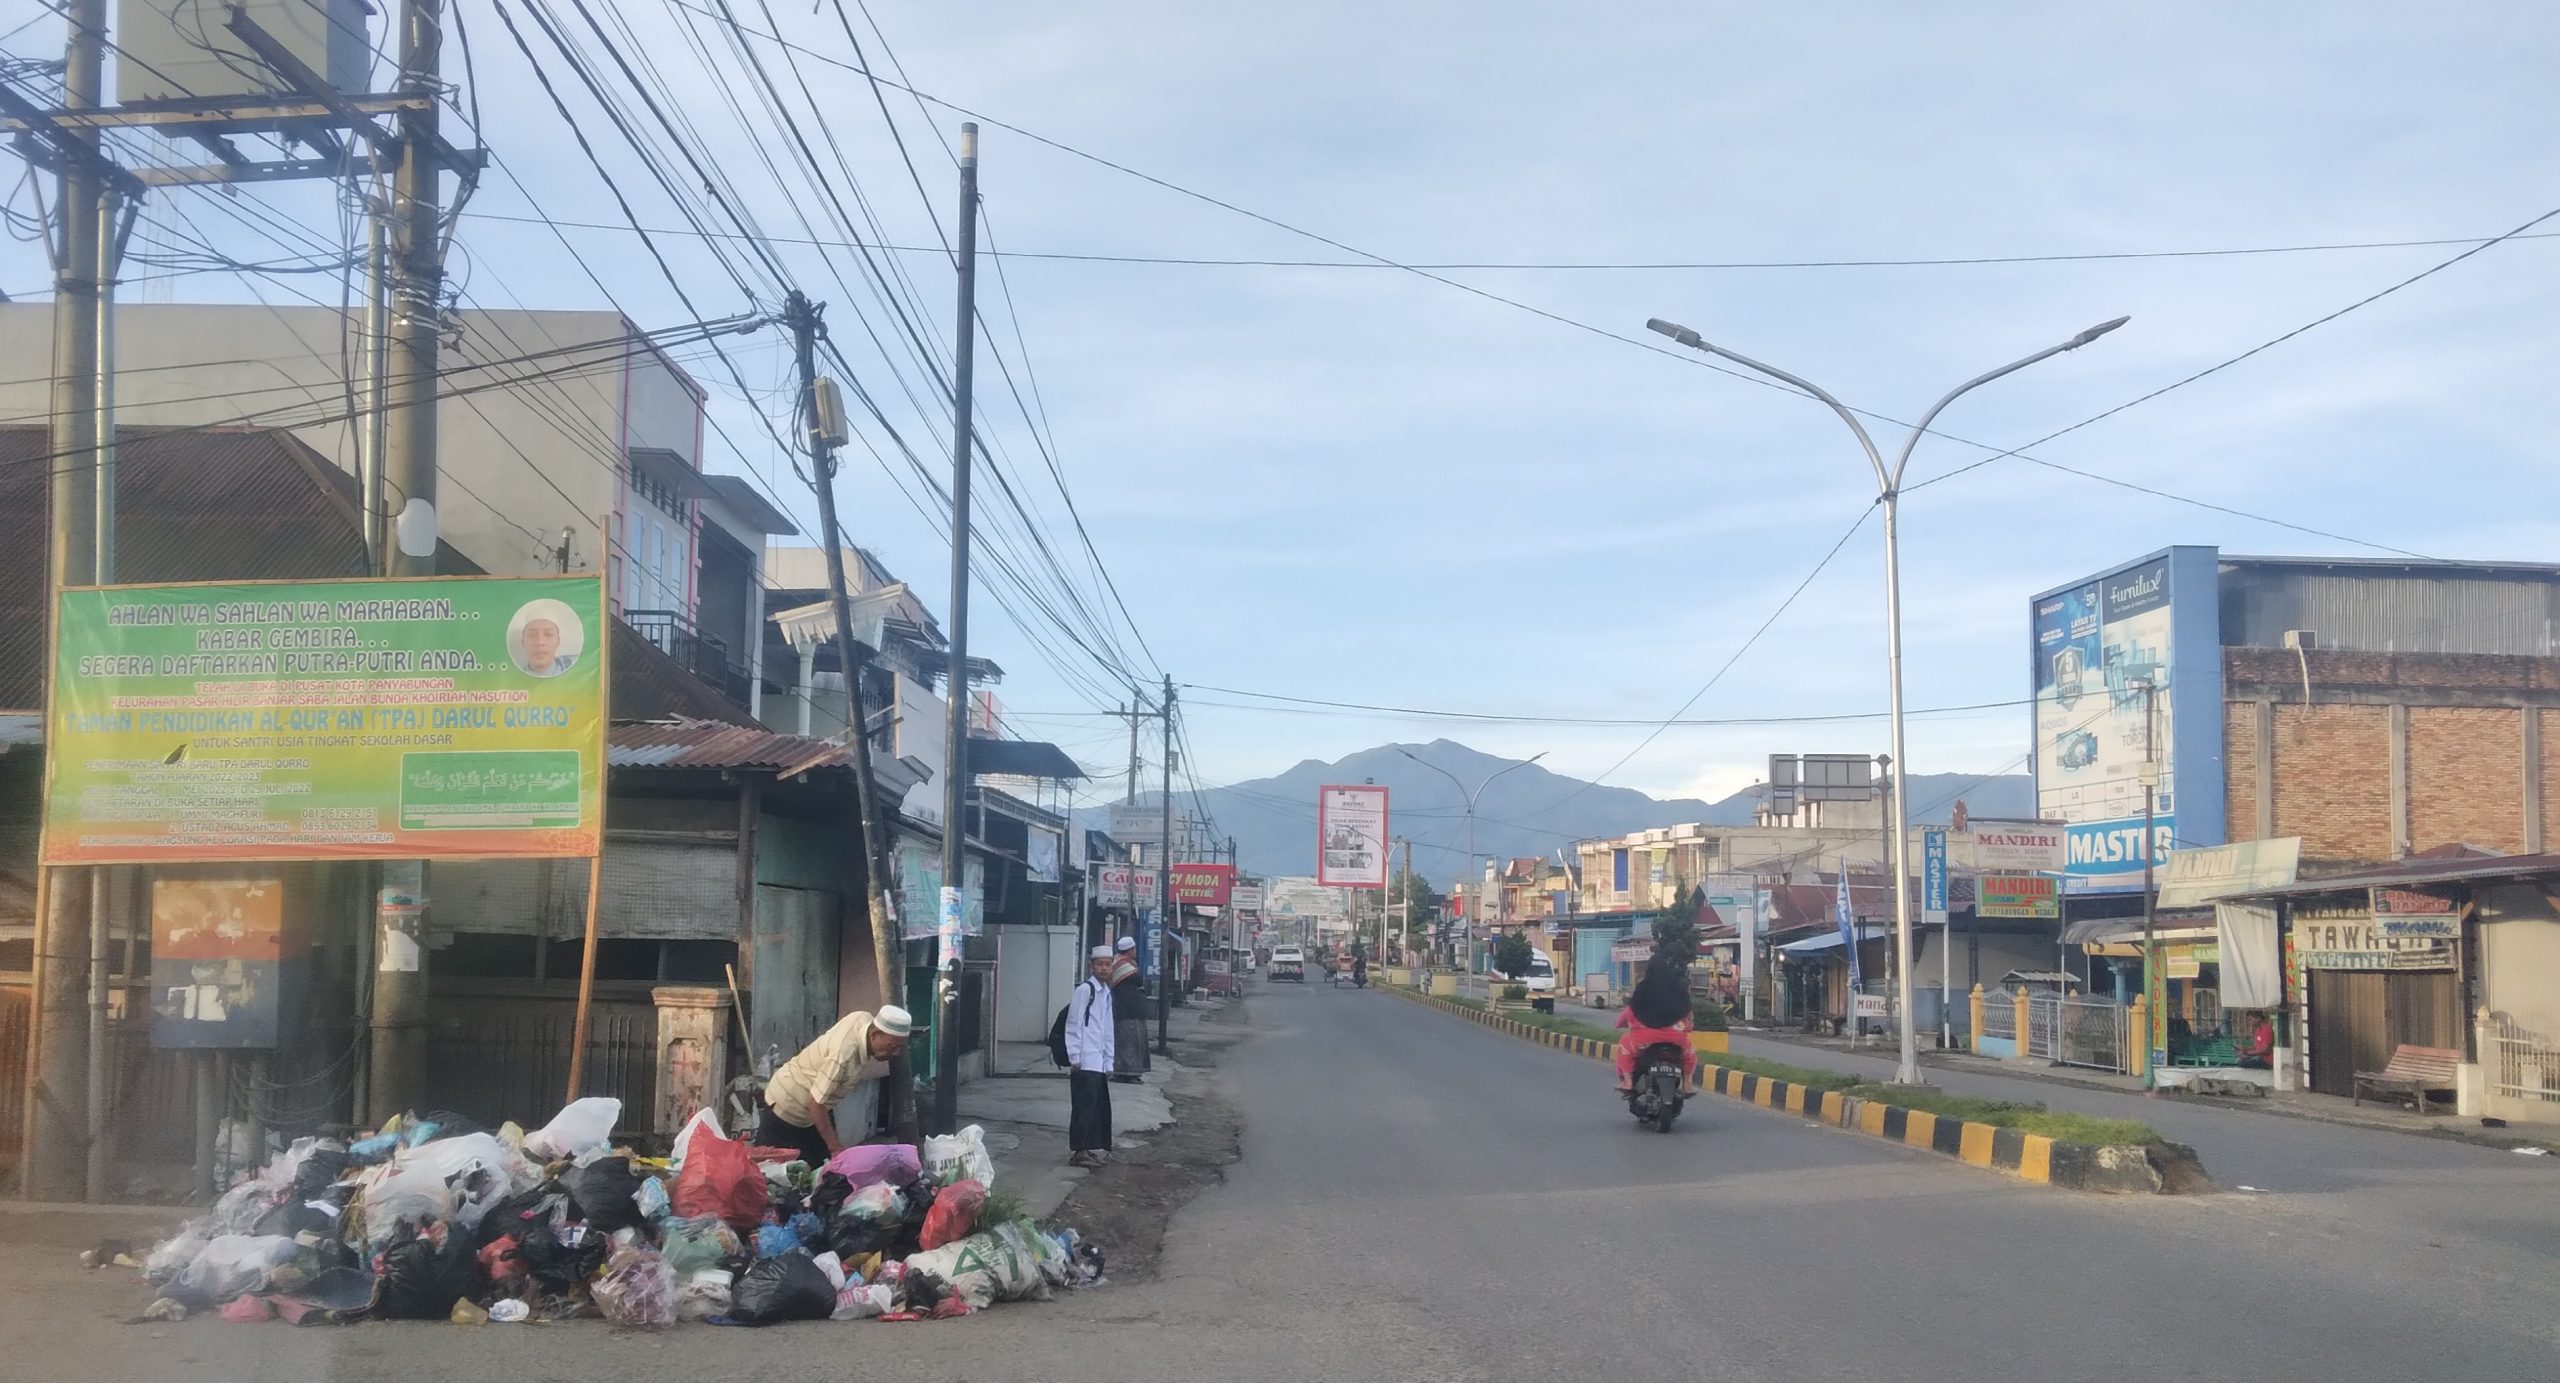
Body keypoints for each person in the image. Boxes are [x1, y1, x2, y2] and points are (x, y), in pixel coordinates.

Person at [755, 1004, 911, 1164]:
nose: (895, 1053)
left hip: (814, 1104)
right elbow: (815, 1103)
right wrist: (835, 1148)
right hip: (788, 1104)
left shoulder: (862, 1018)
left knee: (823, 1166)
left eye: (899, 1047)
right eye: (892, 1047)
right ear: (875, 1035)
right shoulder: (843, 1056)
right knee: (773, 1170)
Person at [1065, 946, 1117, 1167]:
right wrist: (1074, 1055)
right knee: (1083, 1108)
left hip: (1098, 1060)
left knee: (1096, 1107)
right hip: (1084, 1060)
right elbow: (1073, 1023)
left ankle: (1088, 1147)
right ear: (1091, 966)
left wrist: (1109, 1060)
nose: (1103, 968)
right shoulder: (1085, 990)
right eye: (1099, 964)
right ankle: (1079, 1151)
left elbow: (1107, 1028)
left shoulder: (1106, 992)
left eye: (1107, 964)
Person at [1615, 956, 1699, 1092]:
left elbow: (1627, 1015)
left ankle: (1628, 1081)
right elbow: (1688, 1019)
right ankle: (1687, 1084)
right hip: (1677, 1041)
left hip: (1644, 1041)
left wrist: (1619, 1024)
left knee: (1624, 1045)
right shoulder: (1678, 992)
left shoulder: (1643, 991)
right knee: (1689, 1054)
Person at [1110, 953, 1150, 1084]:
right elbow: (1139, 980)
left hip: (1131, 1013)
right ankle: (1128, 1074)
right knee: (1129, 1044)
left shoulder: (1124, 965)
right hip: (1126, 1014)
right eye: (1134, 949)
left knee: (1130, 1044)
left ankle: (1126, 1073)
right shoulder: (1123, 966)